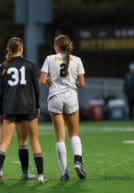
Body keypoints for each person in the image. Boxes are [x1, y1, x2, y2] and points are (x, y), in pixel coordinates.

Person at [0, 37, 47, 184]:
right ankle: (40, 176)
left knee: (4, 142)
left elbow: (0, 92)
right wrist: (37, 106)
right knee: (31, 141)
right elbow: (36, 88)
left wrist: (0, 112)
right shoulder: (30, 65)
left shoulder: (4, 66)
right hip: (28, 106)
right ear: (21, 48)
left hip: (10, 107)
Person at [40, 34, 86, 181]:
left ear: (56, 46)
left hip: (55, 98)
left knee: (60, 137)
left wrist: (52, 81)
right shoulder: (76, 60)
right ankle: (78, 160)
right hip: (71, 97)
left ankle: (64, 172)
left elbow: (42, 80)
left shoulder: (49, 58)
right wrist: (72, 84)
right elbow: (82, 84)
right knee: (74, 134)